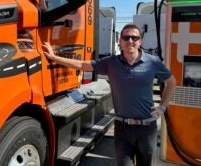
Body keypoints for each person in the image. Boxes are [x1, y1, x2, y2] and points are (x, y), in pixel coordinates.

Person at [42, 23, 176, 166]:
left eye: (134, 37)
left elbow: (171, 82)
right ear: (120, 41)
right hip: (122, 128)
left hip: (147, 129)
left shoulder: (152, 62)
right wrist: (54, 57)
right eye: (126, 37)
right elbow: (82, 65)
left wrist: (162, 107)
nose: (130, 41)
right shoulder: (110, 63)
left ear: (140, 42)